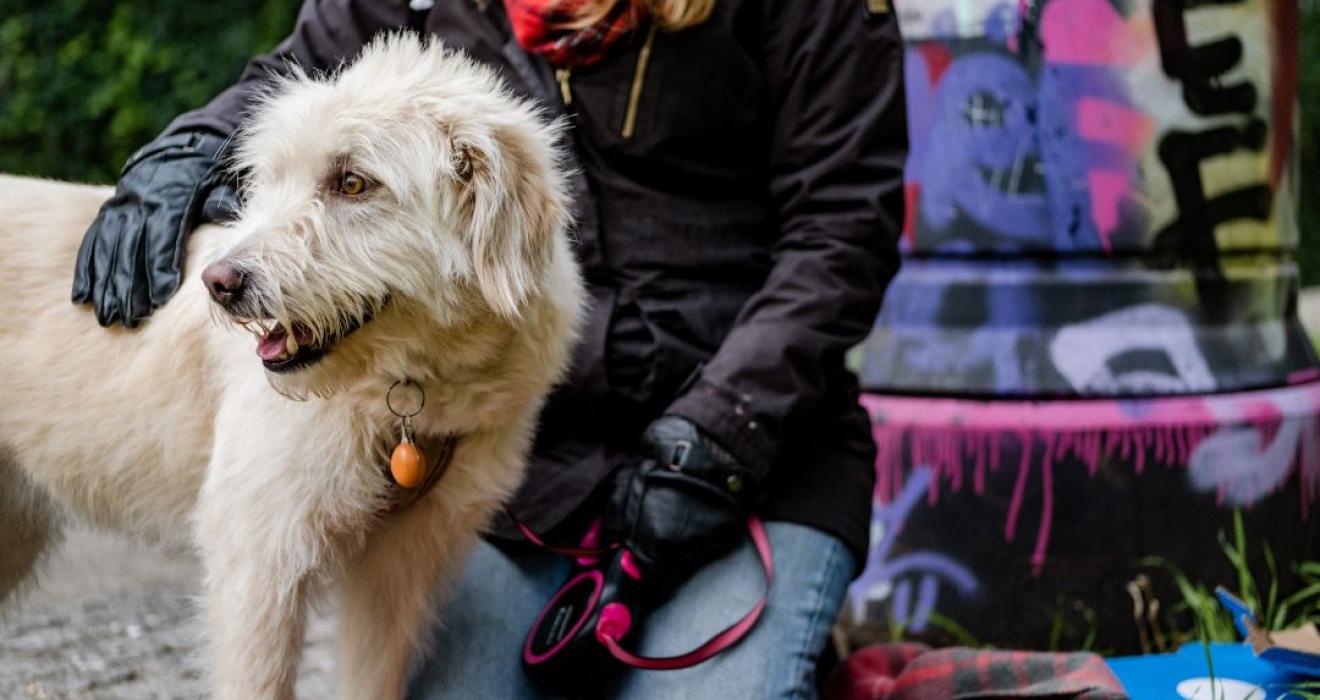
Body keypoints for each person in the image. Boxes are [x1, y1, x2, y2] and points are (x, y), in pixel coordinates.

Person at [73, 0, 906, 696]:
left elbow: (842, 230)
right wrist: (184, 151)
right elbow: (292, 82)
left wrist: (719, 436)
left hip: (750, 466)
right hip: (527, 473)